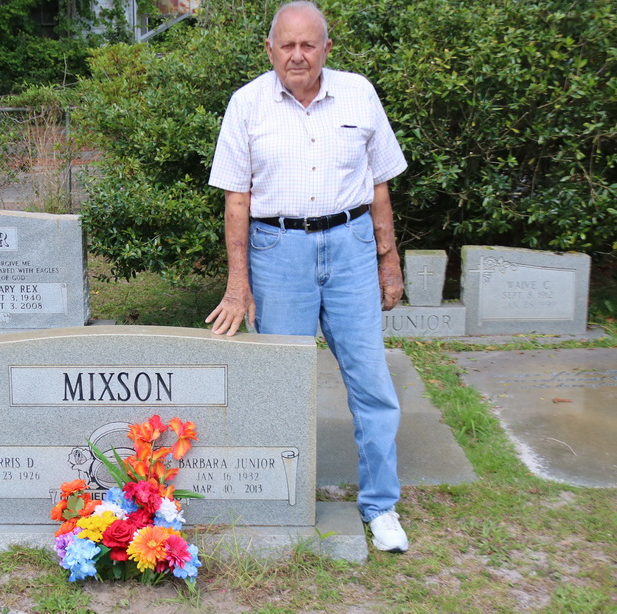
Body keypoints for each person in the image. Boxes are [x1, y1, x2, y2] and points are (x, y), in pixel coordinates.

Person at [206, 0, 409, 553]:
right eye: (287, 45)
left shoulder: (359, 93)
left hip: (350, 248)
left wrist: (388, 259)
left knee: (370, 380)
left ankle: (381, 507)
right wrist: (237, 282)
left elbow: (381, 184)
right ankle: (279, 500)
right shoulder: (246, 104)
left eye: (308, 44)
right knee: (278, 385)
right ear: (269, 49)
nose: (298, 55)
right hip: (279, 251)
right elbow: (236, 199)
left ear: (326, 49)